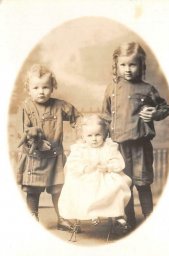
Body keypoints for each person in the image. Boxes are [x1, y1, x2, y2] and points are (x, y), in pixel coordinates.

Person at [102, 41, 169, 229]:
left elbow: (165, 108)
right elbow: (106, 116)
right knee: (124, 185)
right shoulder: (111, 89)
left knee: (143, 183)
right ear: (116, 65)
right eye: (123, 64)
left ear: (141, 65)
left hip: (141, 146)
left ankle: (150, 219)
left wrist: (154, 113)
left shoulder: (147, 89)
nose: (127, 69)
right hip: (119, 147)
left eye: (132, 64)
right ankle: (129, 221)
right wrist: (102, 139)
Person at [16, 64, 80, 229]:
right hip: (34, 158)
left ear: (53, 88)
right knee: (32, 191)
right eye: (35, 87)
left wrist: (83, 131)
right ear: (28, 89)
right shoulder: (26, 108)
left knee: (58, 190)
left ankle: (62, 218)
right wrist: (36, 142)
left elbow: (77, 117)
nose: (41, 91)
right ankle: (32, 218)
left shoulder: (59, 106)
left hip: (54, 157)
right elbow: (23, 132)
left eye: (45, 87)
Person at [58, 114, 132, 232]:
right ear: (83, 136)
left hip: (105, 176)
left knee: (117, 186)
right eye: (89, 135)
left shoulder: (109, 147)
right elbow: (73, 164)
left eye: (98, 135)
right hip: (85, 177)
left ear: (104, 134)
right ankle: (91, 213)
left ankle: (117, 216)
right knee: (80, 187)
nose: (94, 139)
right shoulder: (80, 149)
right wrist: (84, 168)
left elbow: (118, 161)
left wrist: (108, 167)